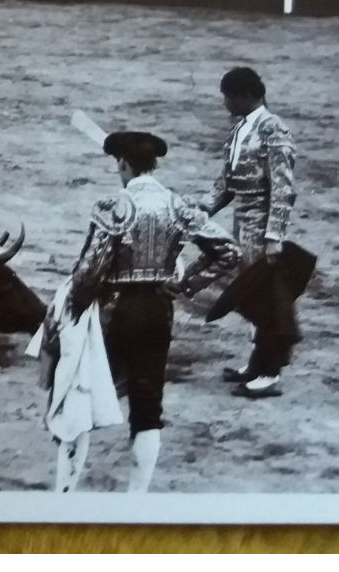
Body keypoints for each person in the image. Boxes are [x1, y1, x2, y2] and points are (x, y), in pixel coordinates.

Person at [55, 131, 239, 492]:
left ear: (123, 164)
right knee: (147, 405)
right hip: (158, 310)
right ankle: (135, 500)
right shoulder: (179, 206)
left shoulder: (114, 207)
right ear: (154, 165)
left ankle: (64, 495)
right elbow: (230, 251)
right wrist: (185, 285)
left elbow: (88, 273)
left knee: (80, 398)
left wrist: (74, 309)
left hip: (114, 311)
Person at [199, 67, 302, 399]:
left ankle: (270, 373)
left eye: (228, 97)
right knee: (255, 297)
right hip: (243, 224)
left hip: (261, 226)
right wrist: (202, 210)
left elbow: (284, 189)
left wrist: (274, 236)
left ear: (245, 96)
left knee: (267, 300)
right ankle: (258, 364)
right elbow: (227, 183)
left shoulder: (274, 130)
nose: (225, 103)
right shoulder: (240, 128)